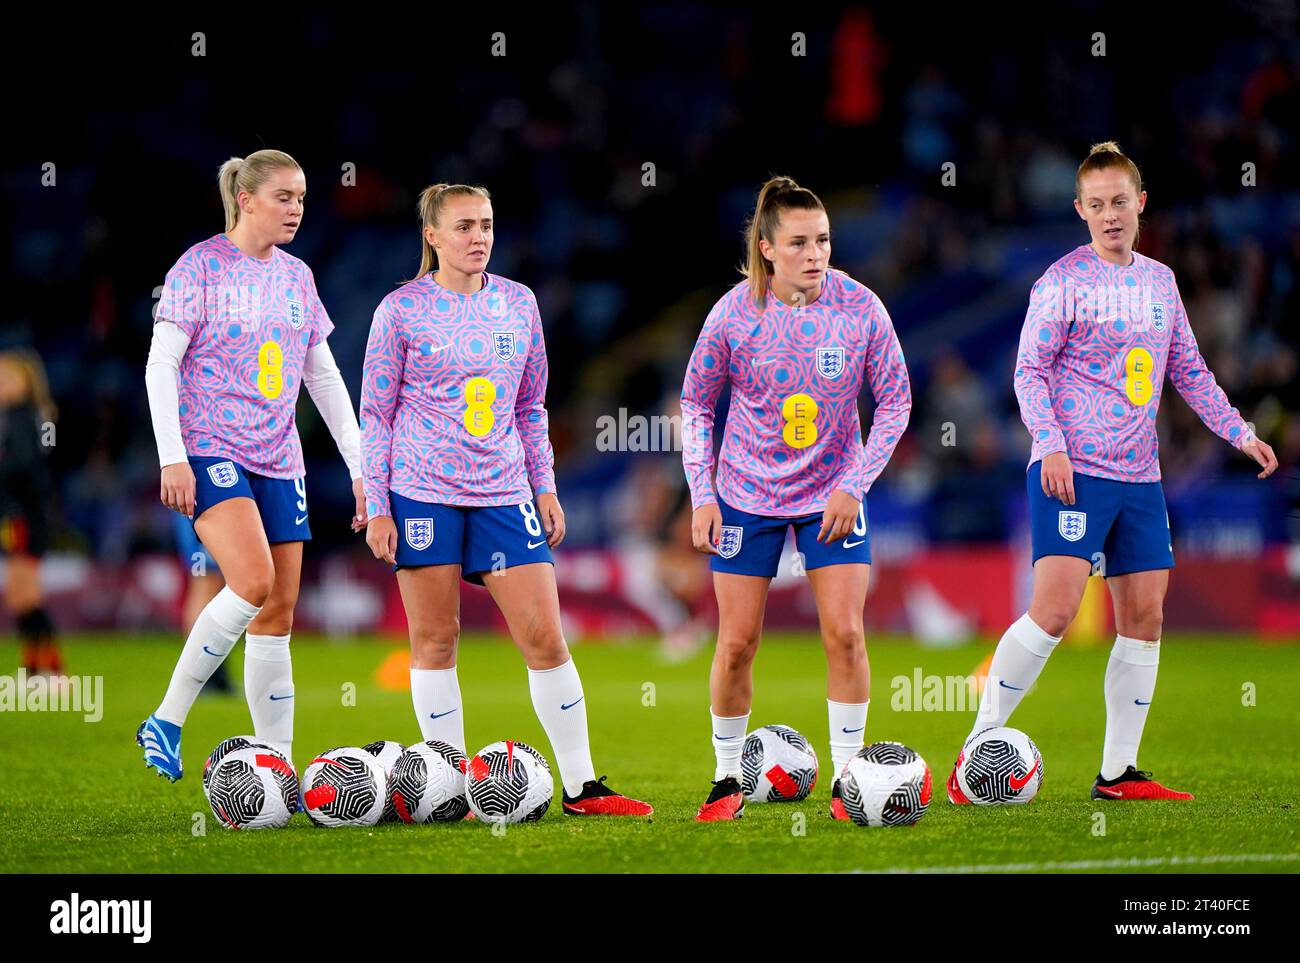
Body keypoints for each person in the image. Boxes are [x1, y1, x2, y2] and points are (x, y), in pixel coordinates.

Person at [947, 142, 1279, 803]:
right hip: (1071, 469)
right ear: (1080, 210)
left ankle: (1118, 772)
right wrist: (1052, 441)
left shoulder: (1161, 282)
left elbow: (1188, 368)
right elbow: (1028, 370)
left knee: (1146, 616)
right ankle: (974, 752)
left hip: (1140, 476)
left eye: (1119, 201)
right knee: (1056, 610)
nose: (1109, 214)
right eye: (1095, 204)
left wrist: (1240, 431)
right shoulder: (1061, 281)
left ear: (1140, 203)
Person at [361, 183, 651, 817]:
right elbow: (376, 416)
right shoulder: (401, 310)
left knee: (545, 635)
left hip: (503, 492)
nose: (478, 237)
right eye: (464, 226)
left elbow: (529, 407)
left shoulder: (519, 304)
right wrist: (378, 503)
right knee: (437, 640)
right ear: (432, 236)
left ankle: (583, 786)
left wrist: (544, 486)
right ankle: (443, 790)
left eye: (486, 224)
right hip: (423, 491)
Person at [680, 176, 912, 821]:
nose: (817, 254)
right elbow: (696, 403)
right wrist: (703, 495)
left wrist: (853, 483)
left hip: (832, 495)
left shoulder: (862, 308)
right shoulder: (732, 313)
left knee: (844, 635)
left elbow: (896, 400)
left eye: (825, 240)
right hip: (746, 494)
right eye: (801, 242)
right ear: (767, 249)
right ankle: (727, 778)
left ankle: (850, 781)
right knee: (736, 643)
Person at [139, 149, 365, 782]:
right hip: (210, 448)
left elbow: (322, 376)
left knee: (277, 616)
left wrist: (359, 469)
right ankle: (168, 717)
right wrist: (172, 458)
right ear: (246, 199)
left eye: (301, 198)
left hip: (279, 456)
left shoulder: (298, 277)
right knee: (252, 581)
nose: (296, 209)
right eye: (284, 197)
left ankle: (278, 769)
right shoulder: (200, 266)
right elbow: (160, 365)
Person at [0, 350, 65, 679]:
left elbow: (22, 468)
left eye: (9, 378)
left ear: (26, 383)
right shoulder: (35, 417)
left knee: (25, 594)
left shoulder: (21, 417)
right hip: (23, 514)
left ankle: (52, 671)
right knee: (19, 594)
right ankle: (34, 669)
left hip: (23, 515)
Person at [170, 510, 234, 695]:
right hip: (200, 510)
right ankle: (199, 674)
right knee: (205, 584)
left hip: (205, 509)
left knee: (215, 587)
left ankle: (214, 671)